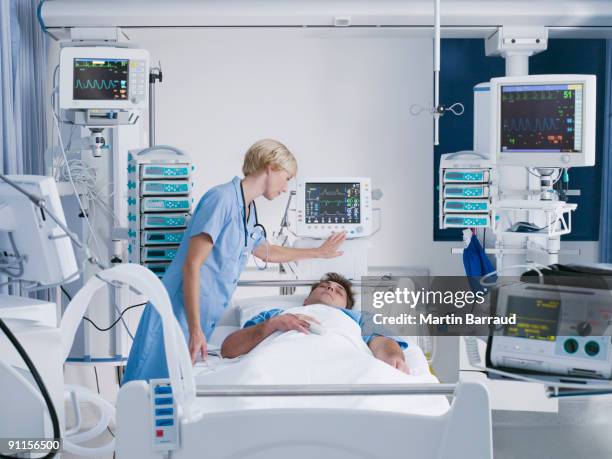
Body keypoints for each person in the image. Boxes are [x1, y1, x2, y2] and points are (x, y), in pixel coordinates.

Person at [123, 139, 346, 383]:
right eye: (287, 177)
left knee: (173, 389)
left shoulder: (247, 211)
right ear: (270, 167)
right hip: (178, 310)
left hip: (200, 315)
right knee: (147, 383)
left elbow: (264, 251)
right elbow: (192, 264)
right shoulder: (221, 199)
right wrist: (196, 328)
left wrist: (318, 252)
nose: (285, 188)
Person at [221, 272, 410, 374]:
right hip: (276, 363)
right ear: (305, 300)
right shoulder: (276, 314)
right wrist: (273, 324)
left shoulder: (359, 317)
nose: (330, 288)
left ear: (346, 306)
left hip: (343, 363)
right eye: (324, 286)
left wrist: (393, 358)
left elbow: (382, 342)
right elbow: (228, 349)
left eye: (338, 291)